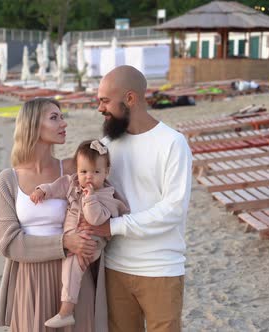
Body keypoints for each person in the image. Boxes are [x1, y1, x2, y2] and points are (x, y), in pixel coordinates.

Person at [89, 65, 192, 332]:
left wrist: (113, 227)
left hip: (160, 269)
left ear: (131, 99)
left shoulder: (172, 142)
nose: (99, 108)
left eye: (105, 100)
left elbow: (173, 210)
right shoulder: (107, 145)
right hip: (114, 267)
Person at [0, 98, 106, 331]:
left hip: (74, 278)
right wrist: (64, 242)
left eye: (62, 116)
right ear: (33, 125)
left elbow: (105, 204)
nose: (63, 123)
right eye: (54, 117)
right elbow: (9, 243)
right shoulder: (8, 180)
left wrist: (93, 241)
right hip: (30, 280)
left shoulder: (74, 169)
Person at [29, 139, 129, 328]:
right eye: (84, 171)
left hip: (91, 242)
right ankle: (66, 309)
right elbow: (56, 186)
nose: (88, 177)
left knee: (72, 267)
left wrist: (90, 198)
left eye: (96, 172)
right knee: (68, 269)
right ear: (77, 170)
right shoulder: (73, 182)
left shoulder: (106, 195)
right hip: (74, 237)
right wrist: (43, 190)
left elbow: (96, 219)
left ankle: (66, 311)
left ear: (106, 172)